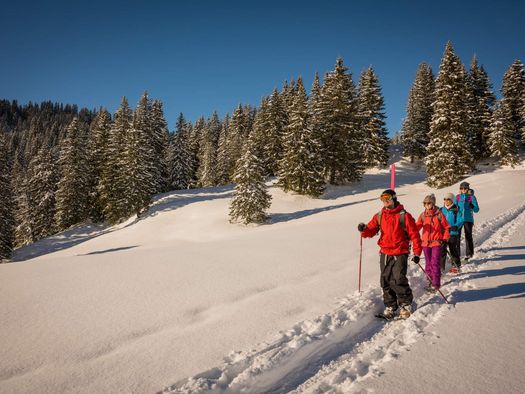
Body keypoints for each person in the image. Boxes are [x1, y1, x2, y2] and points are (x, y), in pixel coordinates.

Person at [358, 189, 422, 319]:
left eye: (387, 198)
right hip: (385, 252)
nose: (385, 201)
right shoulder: (380, 215)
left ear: (393, 198)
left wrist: (416, 253)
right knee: (385, 280)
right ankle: (391, 306)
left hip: (400, 251)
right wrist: (364, 229)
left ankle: (406, 304)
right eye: (382, 199)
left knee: (398, 278)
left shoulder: (404, 215)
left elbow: (414, 235)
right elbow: (370, 230)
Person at [416, 194, 450, 292]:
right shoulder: (423, 215)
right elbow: (417, 227)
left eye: (429, 203)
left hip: (436, 242)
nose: (427, 205)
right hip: (425, 243)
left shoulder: (439, 214)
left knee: (435, 263)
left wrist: (445, 238)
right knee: (428, 264)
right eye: (425, 203)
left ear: (433, 203)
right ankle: (430, 280)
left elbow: (447, 227)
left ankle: (436, 284)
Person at [456, 181, 480, 261]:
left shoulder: (472, 197)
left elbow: (476, 210)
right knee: (456, 237)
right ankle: (456, 254)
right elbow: (454, 207)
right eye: (461, 188)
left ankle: (469, 253)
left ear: (468, 188)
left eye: (465, 188)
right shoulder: (458, 197)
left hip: (468, 219)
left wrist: (472, 205)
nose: (463, 190)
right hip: (458, 219)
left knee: (468, 236)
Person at [441, 193, 463, 273]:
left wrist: (456, 226)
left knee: (453, 249)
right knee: (442, 250)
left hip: (453, 233)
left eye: (448, 199)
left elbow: (460, 220)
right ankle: (441, 268)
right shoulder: (441, 210)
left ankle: (456, 265)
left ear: (452, 200)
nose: (446, 201)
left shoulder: (456, 209)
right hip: (443, 234)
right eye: (445, 199)